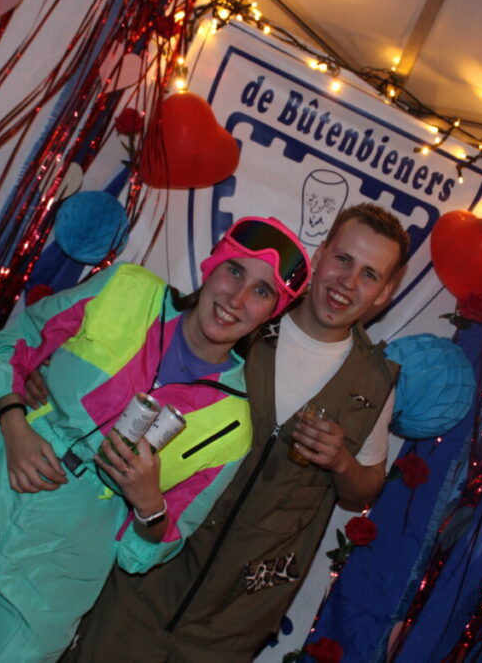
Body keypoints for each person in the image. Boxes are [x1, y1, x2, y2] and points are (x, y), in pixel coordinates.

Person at [0, 216, 312, 663]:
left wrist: (148, 503)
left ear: (274, 311)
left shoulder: (233, 426)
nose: (237, 298)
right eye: (235, 271)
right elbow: (11, 346)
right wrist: (14, 421)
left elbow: (156, 544)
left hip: (71, 549)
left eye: (262, 291)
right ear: (212, 265)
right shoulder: (127, 289)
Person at [62, 203, 410, 662]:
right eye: (343, 259)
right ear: (319, 254)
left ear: (385, 292)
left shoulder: (374, 382)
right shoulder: (241, 316)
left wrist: (341, 462)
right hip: (147, 571)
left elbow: (365, 488)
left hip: (235, 616)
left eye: (369, 274)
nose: (347, 282)